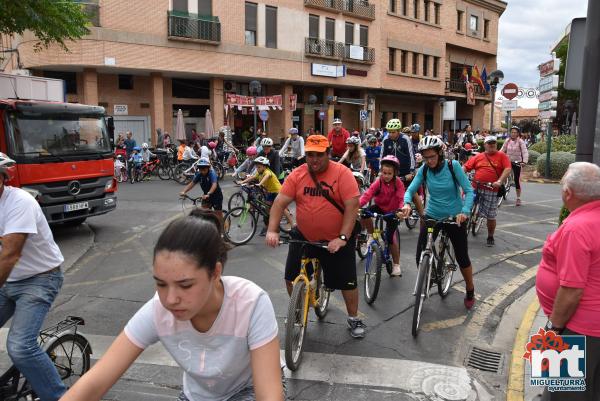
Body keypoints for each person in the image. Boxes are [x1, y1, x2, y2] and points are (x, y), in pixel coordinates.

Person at [60, 210, 285, 401]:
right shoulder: (158, 309)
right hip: (196, 395)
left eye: (185, 285)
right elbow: (97, 380)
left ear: (216, 273)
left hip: (246, 390)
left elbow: (269, 394)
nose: (170, 299)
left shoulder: (251, 303)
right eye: (161, 284)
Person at [265, 135, 366, 338]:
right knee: (290, 276)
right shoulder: (297, 174)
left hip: (337, 238)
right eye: (310, 155)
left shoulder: (342, 173)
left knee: (347, 281)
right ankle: (297, 306)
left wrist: (343, 238)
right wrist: (272, 230)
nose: (314, 159)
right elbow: (279, 203)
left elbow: (352, 208)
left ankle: (353, 317)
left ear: (328, 153)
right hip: (305, 235)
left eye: (319, 155)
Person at [0, 153, 67, 401]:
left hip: (40, 278)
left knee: (20, 346)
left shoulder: (19, 203)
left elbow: (10, 255)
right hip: (7, 278)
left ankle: (60, 397)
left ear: (2, 180)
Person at [535, 162, 600, 401]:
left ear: (568, 193)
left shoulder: (576, 228)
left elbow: (572, 290)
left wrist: (554, 331)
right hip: (592, 327)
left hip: (577, 327)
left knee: (559, 394)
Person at [401, 136, 477, 309]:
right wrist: (406, 203)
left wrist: (464, 212)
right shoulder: (424, 169)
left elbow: (469, 191)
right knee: (421, 252)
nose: (429, 160)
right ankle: (426, 277)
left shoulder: (453, 166)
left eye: (432, 157)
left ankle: (470, 288)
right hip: (433, 215)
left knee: (462, 256)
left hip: (454, 217)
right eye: (425, 157)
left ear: (440, 153)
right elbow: (411, 188)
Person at [359, 155, 405, 276]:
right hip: (380, 207)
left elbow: (401, 198)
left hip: (393, 211)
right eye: (384, 173)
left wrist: (401, 210)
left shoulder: (398, 183)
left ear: (395, 173)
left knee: (390, 238)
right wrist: (357, 205)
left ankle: (396, 265)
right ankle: (372, 234)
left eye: (389, 173)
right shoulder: (378, 182)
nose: (386, 176)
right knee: (364, 213)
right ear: (381, 172)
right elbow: (367, 194)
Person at [463, 136, 512, 247]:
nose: (491, 145)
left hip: (491, 189)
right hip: (475, 187)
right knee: (465, 206)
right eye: (489, 143)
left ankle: (490, 235)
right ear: (484, 145)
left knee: (490, 215)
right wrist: (460, 176)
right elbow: (465, 167)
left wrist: (499, 181)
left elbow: (507, 169)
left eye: (493, 143)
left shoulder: (502, 156)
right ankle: (463, 227)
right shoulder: (479, 156)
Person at [239, 156, 294, 235]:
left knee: (282, 208)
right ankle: (270, 227)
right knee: (267, 209)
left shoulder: (267, 172)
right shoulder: (259, 172)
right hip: (270, 192)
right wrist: (242, 182)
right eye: (256, 167)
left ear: (264, 166)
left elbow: (266, 177)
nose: (257, 169)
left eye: (259, 167)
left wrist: (259, 184)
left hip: (277, 191)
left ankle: (293, 225)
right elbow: (252, 177)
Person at [380, 119, 416, 189]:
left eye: (393, 132)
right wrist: (380, 170)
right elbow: (382, 156)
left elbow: (411, 155)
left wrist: (411, 171)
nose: (390, 134)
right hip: (391, 173)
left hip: (405, 173)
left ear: (399, 131)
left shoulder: (405, 139)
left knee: (411, 193)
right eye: (389, 132)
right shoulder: (386, 140)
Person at [501, 126, 529, 206]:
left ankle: (518, 198)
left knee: (517, 180)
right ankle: (502, 189)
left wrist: (524, 161)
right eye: (512, 132)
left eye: (515, 132)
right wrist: (497, 156)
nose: (513, 134)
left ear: (518, 134)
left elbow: (524, 152)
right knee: (502, 176)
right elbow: (502, 150)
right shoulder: (507, 140)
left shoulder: (520, 141)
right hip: (508, 161)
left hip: (517, 162)